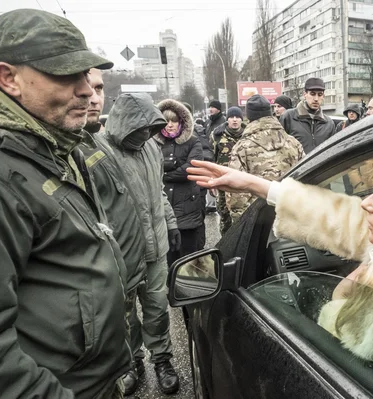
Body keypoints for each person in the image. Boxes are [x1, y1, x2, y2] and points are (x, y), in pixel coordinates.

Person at [186, 148, 373, 369]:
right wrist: (257, 185)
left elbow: (342, 345)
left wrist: (340, 298)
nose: (365, 203)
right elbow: (337, 215)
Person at [0, 9, 129, 398]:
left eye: (85, 74)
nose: (87, 89)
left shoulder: (54, 144)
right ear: (8, 78)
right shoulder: (3, 174)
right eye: (66, 74)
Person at [103, 93, 181, 395]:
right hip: (121, 251)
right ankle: (131, 362)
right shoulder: (99, 151)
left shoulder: (151, 147)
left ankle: (161, 359)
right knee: (125, 314)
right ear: (126, 125)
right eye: (142, 129)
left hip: (156, 247)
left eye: (151, 129)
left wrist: (171, 222)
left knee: (158, 308)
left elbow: (158, 190)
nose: (147, 134)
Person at [80, 70, 150, 396]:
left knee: (129, 322)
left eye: (98, 88)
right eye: (80, 85)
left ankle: (131, 362)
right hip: (100, 284)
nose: (93, 97)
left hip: (127, 266)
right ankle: (129, 364)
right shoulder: (72, 148)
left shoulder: (92, 140)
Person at [226, 95, 304, 224]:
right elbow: (305, 179)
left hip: (258, 223)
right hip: (291, 217)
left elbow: (236, 195)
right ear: (270, 113)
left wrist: (240, 227)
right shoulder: (294, 143)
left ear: (249, 116)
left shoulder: (241, 148)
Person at [156, 99, 206, 264]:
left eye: (174, 121)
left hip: (188, 208)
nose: (169, 125)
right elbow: (150, 168)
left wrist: (164, 174)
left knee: (189, 258)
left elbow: (190, 169)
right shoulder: (152, 143)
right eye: (166, 121)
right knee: (168, 259)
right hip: (163, 208)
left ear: (181, 122)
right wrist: (176, 166)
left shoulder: (193, 141)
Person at [210, 105, 247, 234]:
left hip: (244, 182)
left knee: (244, 215)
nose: (235, 120)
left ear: (242, 119)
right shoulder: (217, 135)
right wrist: (211, 180)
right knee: (224, 215)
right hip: (223, 181)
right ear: (227, 119)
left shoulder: (248, 135)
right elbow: (211, 158)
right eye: (231, 117)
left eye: (237, 117)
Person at [280, 77, 335, 154]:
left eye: (320, 95)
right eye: (312, 94)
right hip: (296, 165)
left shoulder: (328, 123)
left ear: (323, 96)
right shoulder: (289, 117)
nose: (316, 99)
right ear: (305, 94)